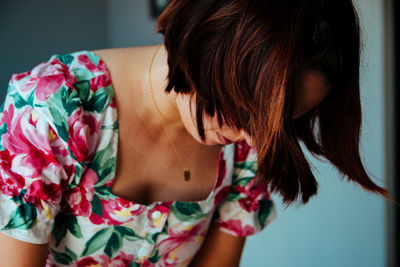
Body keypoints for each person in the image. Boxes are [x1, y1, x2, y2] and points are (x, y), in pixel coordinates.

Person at [0, 0, 391, 266]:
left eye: (277, 124)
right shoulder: (52, 110)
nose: (255, 141)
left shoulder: (247, 147)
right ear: (206, 40)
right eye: (247, 107)